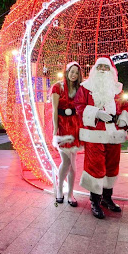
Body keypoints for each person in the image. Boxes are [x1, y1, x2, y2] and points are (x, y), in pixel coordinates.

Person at [75, 57, 128, 219]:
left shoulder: (117, 88)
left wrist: (123, 118)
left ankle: (107, 198)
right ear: (94, 69)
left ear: (111, 70)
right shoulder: (85, 87)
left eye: (106, 67)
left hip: (113, 132)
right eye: (100, 67)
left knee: (112, 165)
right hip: (94, 132)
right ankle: (95, 200)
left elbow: (125, 106)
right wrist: (97, 113)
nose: (103, 70)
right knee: (95, 165)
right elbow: (79, 106)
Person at [51, 61, 83, 207]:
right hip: (63, 128)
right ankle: (59, 189)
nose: (74, 75)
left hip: (75, 127)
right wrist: (55, 129)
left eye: (77, 72)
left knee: (73, 162)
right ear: (67, 71)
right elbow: (54, 109)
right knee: (67, 161)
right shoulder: (58, 87)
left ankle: (70, 193)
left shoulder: (79, 89)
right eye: (72, 71)